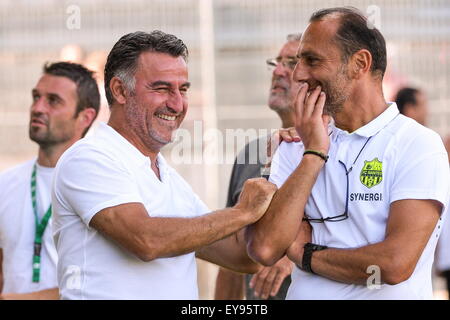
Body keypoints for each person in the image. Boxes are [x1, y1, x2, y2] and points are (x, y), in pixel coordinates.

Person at [51, 30, 277, 300]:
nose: (177, 104)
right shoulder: (89, 157)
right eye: (161, 88)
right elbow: (146, 241)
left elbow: (244, 258)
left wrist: (296, 162)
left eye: (182, 89)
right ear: (120, 90)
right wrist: (242, 212)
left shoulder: (167, 176)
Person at [246, 7, 450, 299]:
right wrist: (313, 154)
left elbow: (393, 264)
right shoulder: (296, 144)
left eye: (311, 60)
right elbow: (266, 246)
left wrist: (305, 254)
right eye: (298, 61)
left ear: (360, 64)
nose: (299, 74)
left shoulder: (417, 144)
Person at [0, 62, 100, 299]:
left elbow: (104, 283)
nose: (37, 107)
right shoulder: (5, 184)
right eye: (36, 97)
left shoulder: (99, 187)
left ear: (85, 118)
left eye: (53, 101)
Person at [215, 34, 301, 300]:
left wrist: (293, 256)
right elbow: (232, 260)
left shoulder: (345, 154)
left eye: (292, 63)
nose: (277, 71)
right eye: (276, 62)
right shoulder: (251, 154)